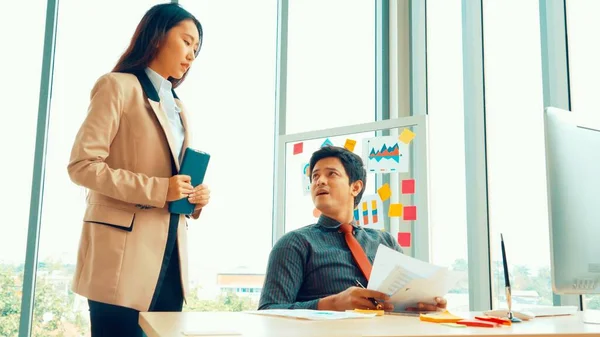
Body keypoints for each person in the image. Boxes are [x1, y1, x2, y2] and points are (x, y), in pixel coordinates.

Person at [67, 4, 209, 336]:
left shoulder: (178, 106)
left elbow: (173, 177)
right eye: (187, 41)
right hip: (119, 258)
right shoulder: (116, 86)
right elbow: (82, 166)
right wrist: (161, 189)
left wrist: (194, 197)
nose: (191, 55)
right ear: (158, 36)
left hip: (171, 257)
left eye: (196, 49)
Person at [258, 146, 447, 312]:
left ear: (355, 187)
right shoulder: (294, 243)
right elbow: (268, 311)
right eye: (315, 175)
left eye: (331, 174)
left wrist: (422, 305)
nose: (319, 181)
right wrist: (333, 304)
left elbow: (404, 299)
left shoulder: (385, 241)